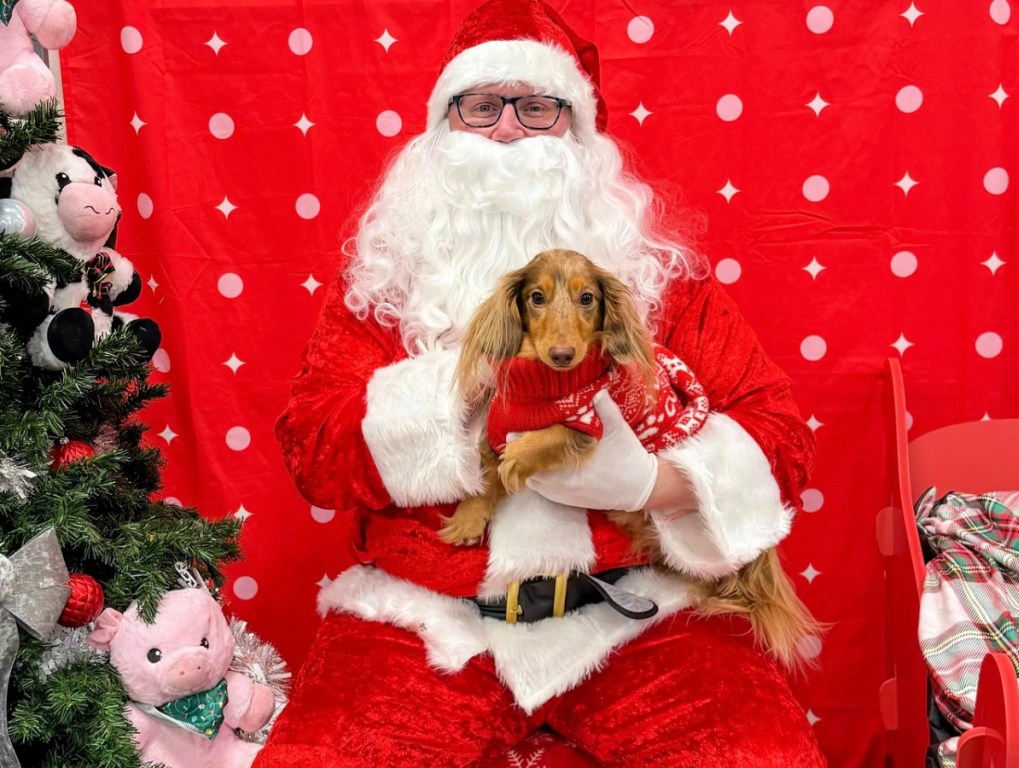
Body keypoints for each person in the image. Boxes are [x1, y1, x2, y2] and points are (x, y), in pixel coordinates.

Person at [254, 1, 827, 766]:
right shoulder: (384, 287)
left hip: (635, 615)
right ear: (442, 131)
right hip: (427, 623)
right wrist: (466, 406)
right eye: (483, 106)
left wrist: (653, 482)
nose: (508, 131)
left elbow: (782, 436)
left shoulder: (657, 283)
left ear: (581, 138)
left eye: (537, 108)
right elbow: (313, 451)